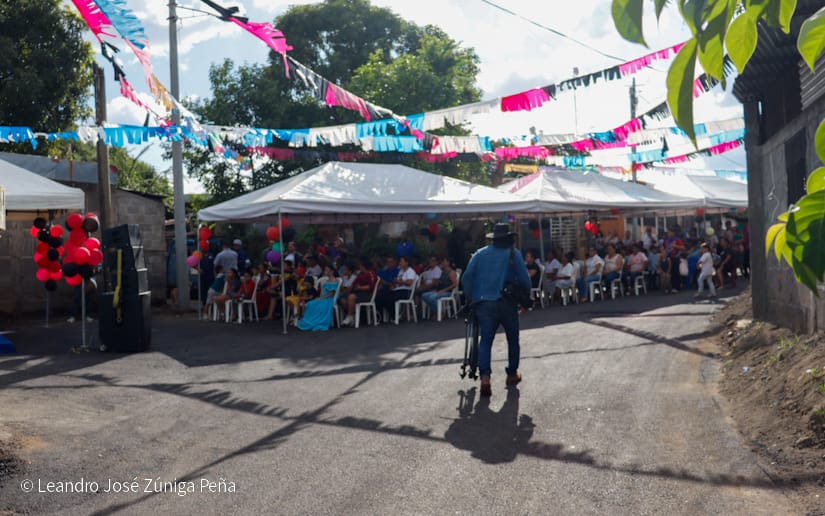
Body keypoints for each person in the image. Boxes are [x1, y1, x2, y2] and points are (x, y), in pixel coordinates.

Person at [461, 223, 531, 398]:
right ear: (508, 238)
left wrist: (470, 296)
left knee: (485, 341)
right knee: (513, 339)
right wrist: (526, 301)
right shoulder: (513, 255)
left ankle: (485, 377)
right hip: (507, 304)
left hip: (484, 304)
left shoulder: (479, 254)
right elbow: (525, 280)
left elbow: (467, 277)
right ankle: (512, 374)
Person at [341, 258, 377, 326]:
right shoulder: (360, 274)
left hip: (367, 294)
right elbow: (354, 283)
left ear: (363, 266)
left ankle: (349, 316)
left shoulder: (371, 274)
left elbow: (370, 286)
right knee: (343, 299)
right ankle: (352, 314)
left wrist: (360, 288)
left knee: (351, 297)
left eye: (360, 266)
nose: (359, 267)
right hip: (358, 293)